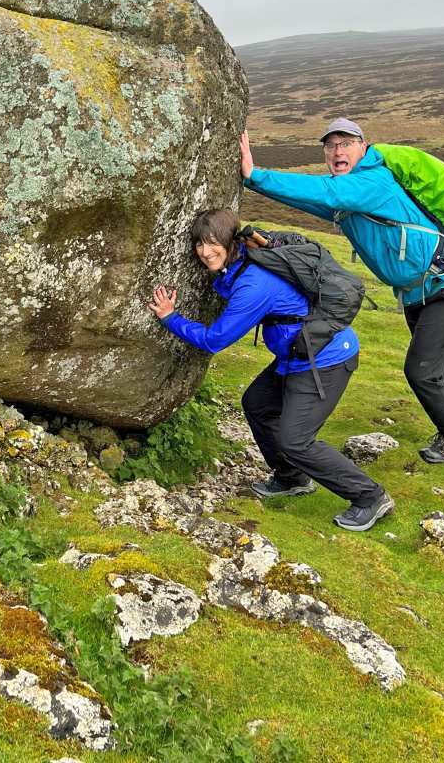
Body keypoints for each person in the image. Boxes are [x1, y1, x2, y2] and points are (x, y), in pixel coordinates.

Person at [239, 119, 444, 464]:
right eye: (330, 146)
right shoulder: (351, 193)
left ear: (363, 147)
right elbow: (313, 200)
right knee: (443, 362)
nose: (337, 151)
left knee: (422, 369)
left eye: (346, 143)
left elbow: (328, 192)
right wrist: (255, 183)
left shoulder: (372, 182)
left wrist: (256, 175)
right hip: (418, 292)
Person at [149, 207, 395, 531]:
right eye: (199, 244)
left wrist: (171, 317)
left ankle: (370, 496)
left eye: (212, 243)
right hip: (295, 358)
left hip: (326, 359)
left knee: (297, 440)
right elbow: (228, 285)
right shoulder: (242, 264)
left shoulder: (254, 284)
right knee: (258, 404)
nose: (205, 252)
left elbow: (215, 340)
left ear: (229, 241)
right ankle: (292, 478)